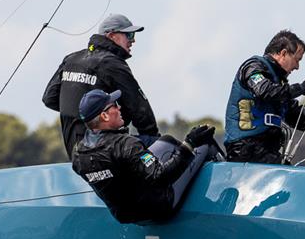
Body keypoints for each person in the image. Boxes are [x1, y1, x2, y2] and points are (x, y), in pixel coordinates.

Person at [72, 89, 218, 224]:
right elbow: (161, 177)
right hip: (159, 208)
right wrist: (189, 145)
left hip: (125, 216)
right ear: (104, 115)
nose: (119, 108)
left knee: (166, 140)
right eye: (114, 105)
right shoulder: (127, 144)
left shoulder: (78, 153)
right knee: (204, 143)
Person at [43, 13, 160, 158]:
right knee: (167, 144)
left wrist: (84, 115)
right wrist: (156, 144)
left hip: (76, 155)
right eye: (129, 35)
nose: (133, 40)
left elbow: (49, 98)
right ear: (111, 36)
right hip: (105, 151)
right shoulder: (113, 63)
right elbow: (140, 110)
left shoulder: (71, 59)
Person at [224, 29, 305, 164]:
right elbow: (265, 91)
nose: (297, 67)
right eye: (297, 60)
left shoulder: (279, 83)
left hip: (265, 152)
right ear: (283, 53)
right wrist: (301, 88)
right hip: (245, 151)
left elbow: (293, 112)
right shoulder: (252, 67)